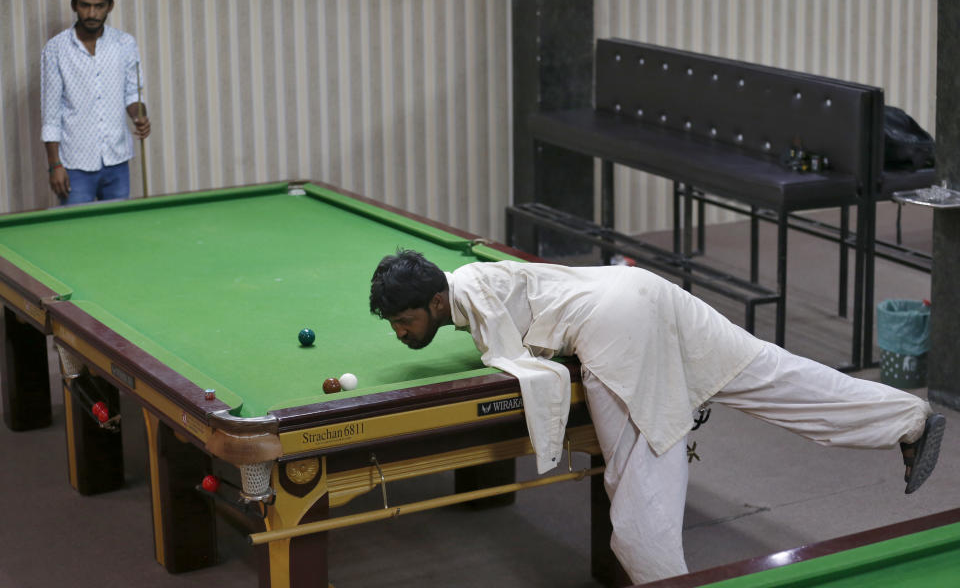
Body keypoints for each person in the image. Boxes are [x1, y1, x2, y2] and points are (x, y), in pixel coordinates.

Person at [369, 250, 946, 583]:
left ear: (435, 303)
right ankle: (910, 419)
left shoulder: (473, 298)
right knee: (771, 372)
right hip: (640, 290)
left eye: (404, 321)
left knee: (638, 522)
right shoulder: (469, 281)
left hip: (619, 331)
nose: (400, 334)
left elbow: (528, 372)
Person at [41, 0, 150, 205]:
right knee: (76, 236)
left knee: (119, 232)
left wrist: (139, 115)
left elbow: (132, 94)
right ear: (74, 5)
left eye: (99, 6)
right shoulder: (56, 49)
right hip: (74, 165)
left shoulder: (125, 44)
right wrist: (54, 165)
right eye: (85, 5)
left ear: (110, 6)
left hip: (117, 161)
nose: (92, 13)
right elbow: (51, 114)